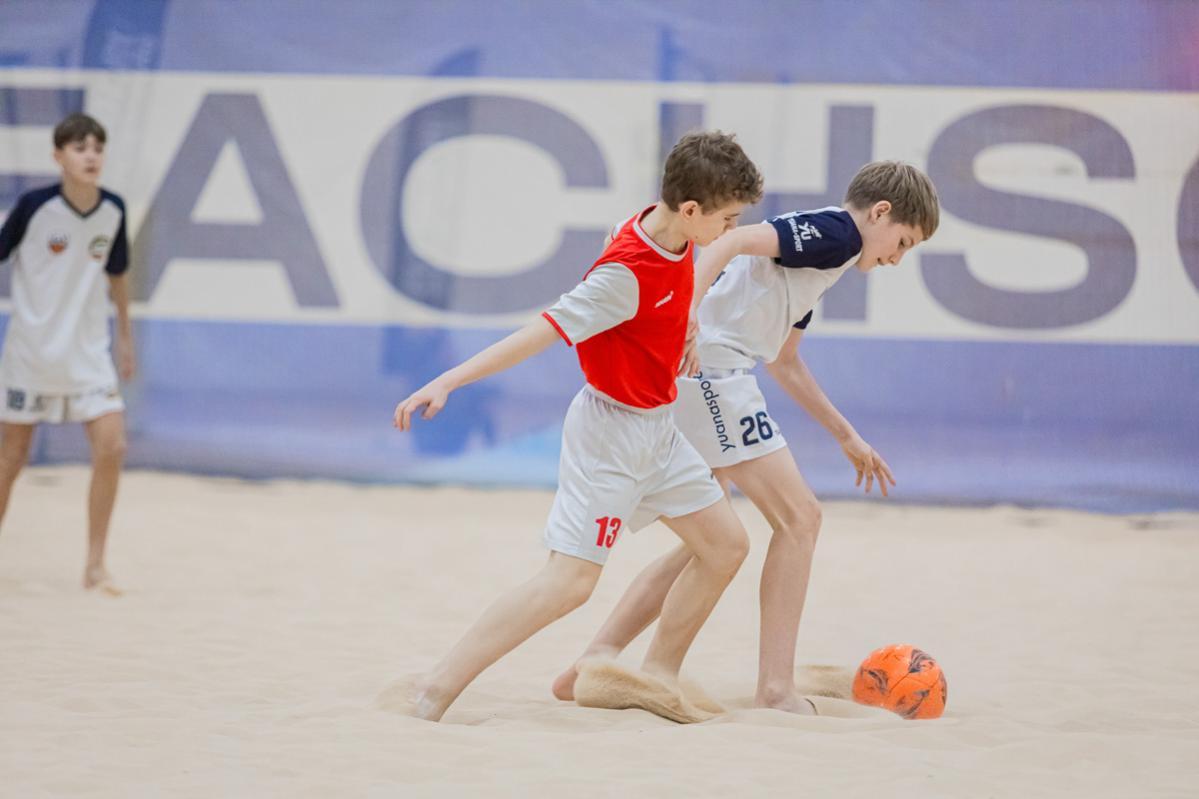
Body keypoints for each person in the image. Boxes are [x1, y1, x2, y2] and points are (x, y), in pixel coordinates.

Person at [387, 131, 763, 723]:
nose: (731, 230)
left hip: (659, 429)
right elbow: (538, 333)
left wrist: (683, 324)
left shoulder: (660, 226)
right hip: (609, 436)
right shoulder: (622, 276)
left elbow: (649, 261)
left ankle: (657, 675)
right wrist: (448, 381)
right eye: (728, 219)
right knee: (569, 584)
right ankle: (431, 691)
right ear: (691, 209)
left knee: (726, 546)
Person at [553, 160, 940, 714]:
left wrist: (846, 435)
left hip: (709, 374)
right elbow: (731, 242)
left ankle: (596, 660)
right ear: (880, 213)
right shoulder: (838, 233)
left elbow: (785, 362)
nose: (897, 259)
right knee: (800, 518)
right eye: (902, 243)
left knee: (706, 540)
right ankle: (773, 688)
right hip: (715, 373)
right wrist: (687, 312)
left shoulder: (826, 256)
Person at [0, 113, 134, 595]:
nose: (91, 156)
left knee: (113, 447)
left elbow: (118, 275)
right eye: (80, 148)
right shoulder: (34, 207)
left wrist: (125, 337)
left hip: (87, 354)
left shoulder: (113, 210)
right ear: (58, 156)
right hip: (32, 352)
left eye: (97, 147)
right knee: (11, 457)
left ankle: (95, 565)